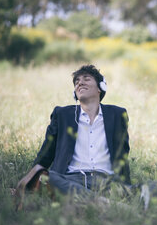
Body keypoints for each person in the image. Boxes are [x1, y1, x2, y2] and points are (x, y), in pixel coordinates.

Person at [18, 65, 131, 198]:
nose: (80, 83)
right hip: (70, 180)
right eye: (76, 82)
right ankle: (104, 202)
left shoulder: (117, 114)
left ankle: (90, 199)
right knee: (48, 179)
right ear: (75, 93)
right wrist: (30, 180)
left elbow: (122, 154)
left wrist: (126, 186)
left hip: (107, 182)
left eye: (86, 79)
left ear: (101, 87)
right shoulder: (62, 114)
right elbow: (46, 154)